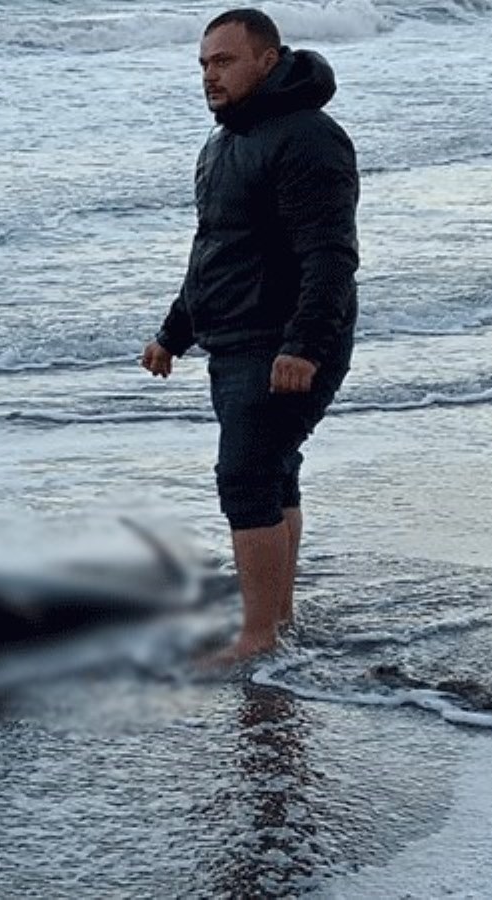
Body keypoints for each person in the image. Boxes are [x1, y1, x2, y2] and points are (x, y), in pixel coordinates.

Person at [141, 9, 359, 665]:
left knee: (245, 476)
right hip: (236, 342)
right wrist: (173, 333)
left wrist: (303, 345)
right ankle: (278, 621)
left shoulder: (309, 139)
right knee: (273, 476)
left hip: (284, 344)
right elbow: (214, 250)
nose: (211, 75)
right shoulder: (225, 142)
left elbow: (331, 256)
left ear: (268, 59)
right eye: (205, 63)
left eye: (225, 61)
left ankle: (257, 636)